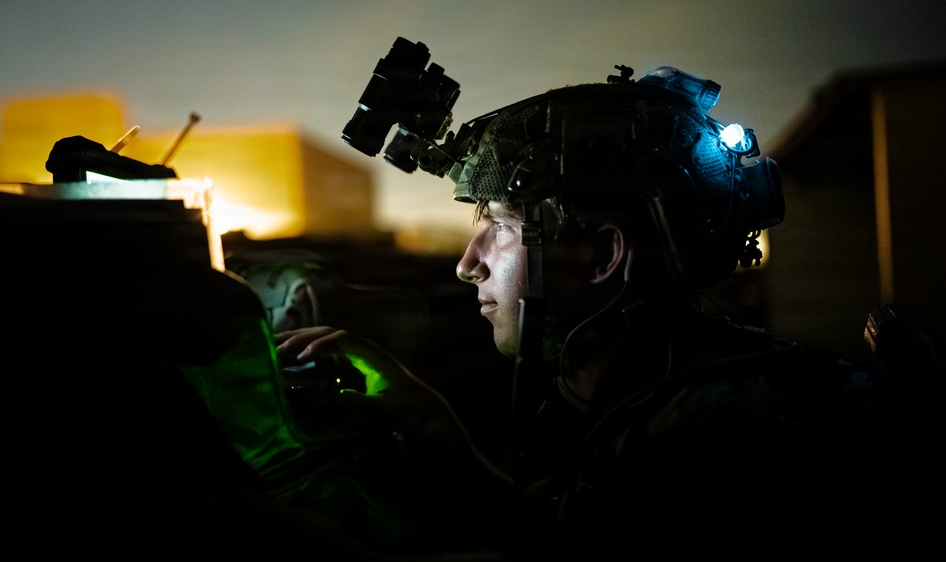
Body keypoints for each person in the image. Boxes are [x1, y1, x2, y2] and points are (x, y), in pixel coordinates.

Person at [276, 55, 937, 558]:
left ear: (600, 257)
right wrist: (423, 423)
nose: (466, 262)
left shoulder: (717, 436)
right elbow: (546, 520)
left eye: (499, 226)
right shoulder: (669, 387)